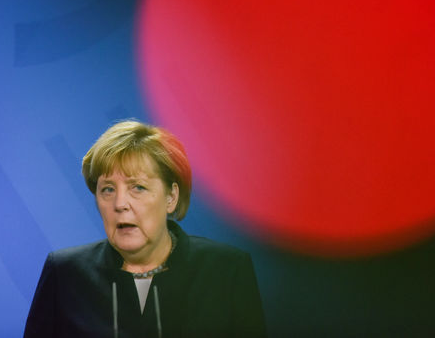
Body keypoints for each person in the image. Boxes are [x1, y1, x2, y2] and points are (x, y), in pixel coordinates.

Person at [24, 120, 267, 337]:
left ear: (171, 197)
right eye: (108, 189)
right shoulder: (65, 273)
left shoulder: (226, 270)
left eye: (137, 187)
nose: (120, 204)